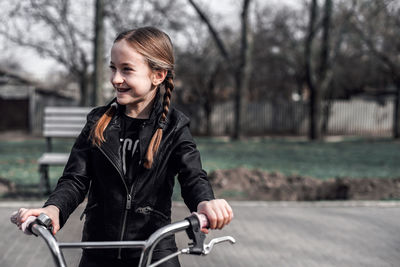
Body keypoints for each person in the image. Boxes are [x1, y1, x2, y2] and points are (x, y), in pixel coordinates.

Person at [14, 26, 233, 267]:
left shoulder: (175, 127)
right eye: (113, 68)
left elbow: (193, 177)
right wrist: (54, 209)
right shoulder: (97, 122)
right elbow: (75, 179)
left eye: (126, 70)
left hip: (155, 249)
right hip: (99, 249)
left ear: (158, 75)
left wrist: (206, 203)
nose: (115, 79)